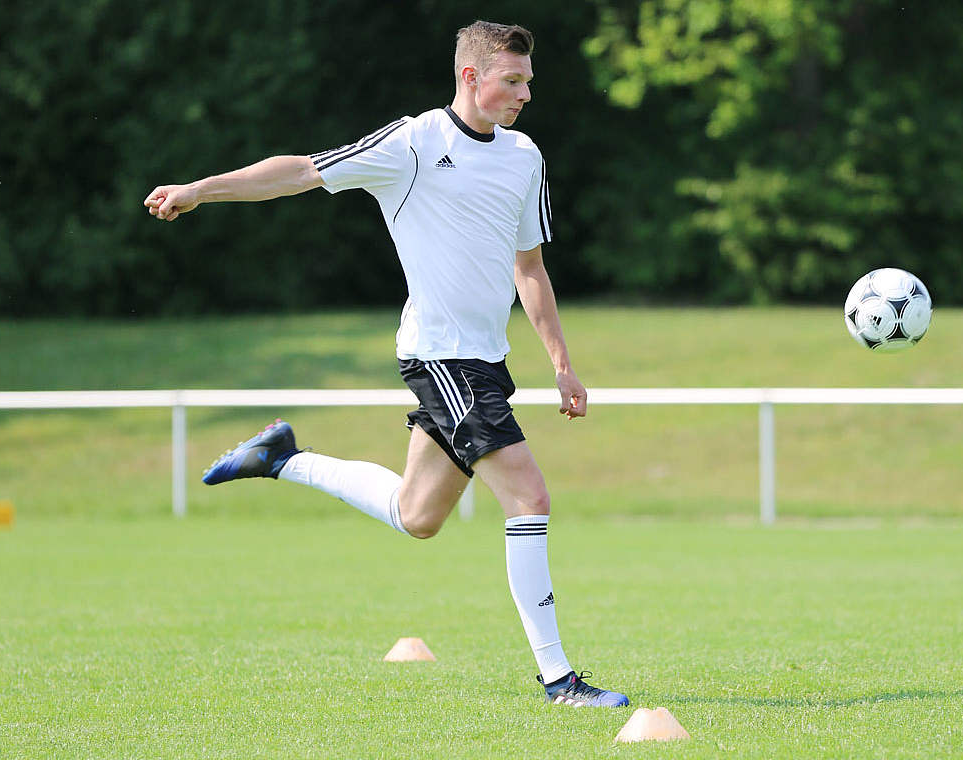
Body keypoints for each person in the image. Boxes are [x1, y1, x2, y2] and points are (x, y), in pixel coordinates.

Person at [142, 20, 627, 708]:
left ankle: (283, 457)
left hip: (484, 364)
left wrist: (562, 363)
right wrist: (201, 188)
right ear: (471, 77)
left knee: (418, 514)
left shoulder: (524, 157)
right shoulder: (415, 141)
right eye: (511, 81)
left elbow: (530, 269)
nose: (523, 94)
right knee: (530, 497)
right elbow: (301, 171)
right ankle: (560, 680)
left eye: (527, 81)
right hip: (440, 357)